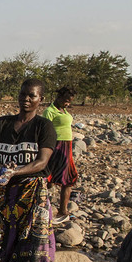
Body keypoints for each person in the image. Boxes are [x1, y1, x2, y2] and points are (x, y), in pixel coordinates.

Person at [0, 78, 57, 262]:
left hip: (34, 193)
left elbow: (42, 161)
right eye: (23, 94)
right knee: (6, 239)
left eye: (32, 96)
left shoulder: (43, 127)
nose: (26, 100)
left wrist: (13, 172)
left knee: (38, 244)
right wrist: (0, 170)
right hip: (7, 193)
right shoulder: (3, 124)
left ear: (40, 100)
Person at [42, 87, 79, 222]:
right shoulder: (49, 111)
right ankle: (41, 206)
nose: (67, 103)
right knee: (48, 178)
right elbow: (44, 130)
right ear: (59, 97)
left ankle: (63, 210)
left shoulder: (64, 111)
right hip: (56, 146)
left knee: (68, 178)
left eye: (69, 101)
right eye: (66, 100)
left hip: (67, 146)